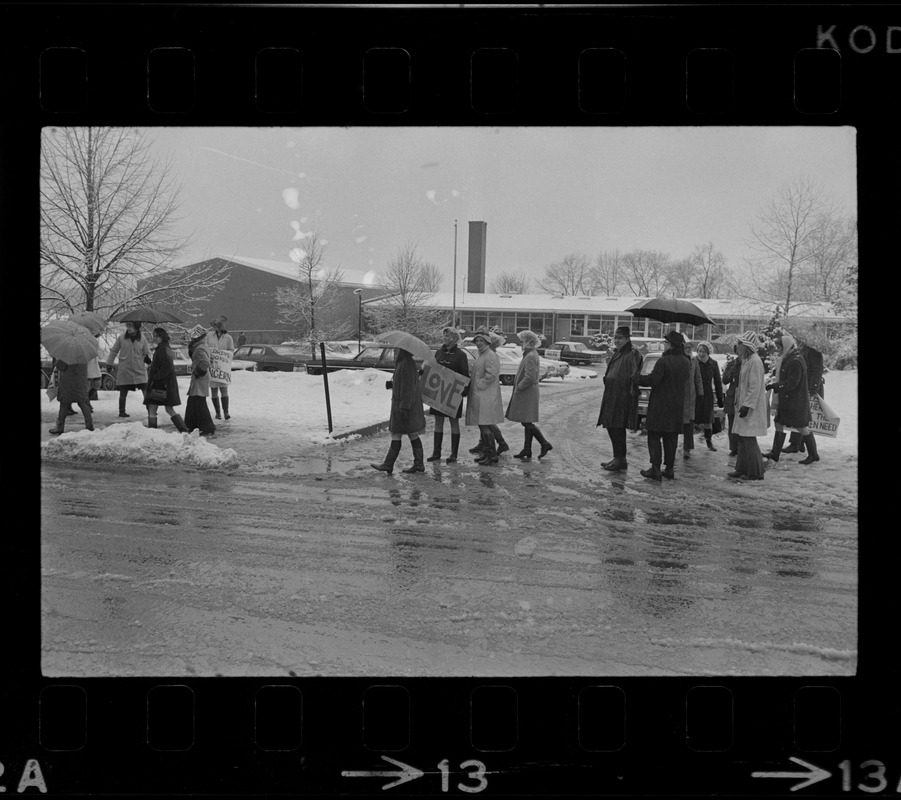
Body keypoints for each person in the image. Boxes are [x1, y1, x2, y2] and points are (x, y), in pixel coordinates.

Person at [633, 330, 689, 480]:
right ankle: (669, 469)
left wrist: (637, 378)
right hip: (676, 406)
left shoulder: (664, 361)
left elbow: (653, 380)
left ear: (670, 344)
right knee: (671, 438)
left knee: (654, 436)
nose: (663, 345)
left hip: (660, 405)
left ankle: (655, 469)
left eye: (665, 342)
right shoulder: (686, 361)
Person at [762, 333, 819, 465]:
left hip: (795, 402)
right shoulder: (789, 358)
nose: (778, 349)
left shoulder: (795, 361)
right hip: (788, 401)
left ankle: (813, 454)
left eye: (779, 346)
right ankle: (775, 453)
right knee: (779, 423)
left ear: (786, 346)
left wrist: (775, 386)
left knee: (802, 427)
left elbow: (792, 383)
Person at [371, 347, 427, 474]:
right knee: (412, 434)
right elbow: (405, 383)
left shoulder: (405, 364)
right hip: (406, 405)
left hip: (404, 406)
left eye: (396, 350)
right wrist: (392, 384)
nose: (394, 353)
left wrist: (404, 408)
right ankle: (418, 464)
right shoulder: (405, 363)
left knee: (398, 433)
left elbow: (407, 388)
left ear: (403, 351)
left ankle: (388, 464)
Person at [596, 326, 642, 471]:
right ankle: (617, 457)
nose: (616, 340)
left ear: (628, 338)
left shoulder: (633, 353)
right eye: (615, 337)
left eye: (620, 337)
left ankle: (621, 459)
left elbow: (634, 375)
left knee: (617, 427)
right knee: (611, 425)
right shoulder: (618, 353)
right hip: (612, 395)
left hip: (622, 397)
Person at [505, 330, 552, 460]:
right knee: (527, 421)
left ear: (528, 342)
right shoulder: (530, 354)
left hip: (527, 392)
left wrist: (519, 387)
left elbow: (530, 377)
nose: (520, 343)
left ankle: (544, 443)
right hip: (528, 392)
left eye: (522, 341)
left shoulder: (530, 355)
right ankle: (527, 449)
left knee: (527, 422)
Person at [728, 331, 769, 480]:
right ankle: (742, 468)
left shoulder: (754, 361)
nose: (737, 347)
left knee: (748, 439)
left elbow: (755, 386)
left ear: (746, 346)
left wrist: (747, 406)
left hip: (750, 407)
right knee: (743, 438)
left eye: (740, 344)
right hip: (744, 405)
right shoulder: (747, 360)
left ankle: (755, 471)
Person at [426, 327, 470, 464]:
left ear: (455, 338)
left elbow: (465, 373)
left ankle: (453, 454)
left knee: (453, 422)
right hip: (439, 392)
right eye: (444, 335)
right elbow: (432, 367)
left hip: (453, 393)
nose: (445, 338)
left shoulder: (461, 355)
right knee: (438, 421)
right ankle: (436, 452)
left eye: (448, 335)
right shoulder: (439, 352)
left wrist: (465, 389)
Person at [465, 331, 506, 465]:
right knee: (483, 424)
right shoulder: (482, 355)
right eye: (476, 341)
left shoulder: (490, 355)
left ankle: (492, 455)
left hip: (486, 396)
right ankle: (489, 453)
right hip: (481, 395)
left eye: (480, 341)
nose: (478, 343)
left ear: (487, 342)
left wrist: (478, 384)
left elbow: (491, 374)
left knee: (484, 424)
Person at [783, 339, 825, 454]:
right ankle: (797, 444)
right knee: (800, 415)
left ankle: (797, 444)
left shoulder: (814, 352)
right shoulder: (804, 350)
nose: (798, 340)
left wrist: (812, 389)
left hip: (809, 388)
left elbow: (817, 371)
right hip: (804, 387)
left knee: (801, 416)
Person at [144, 327, 187, 432]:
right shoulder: (163, 348)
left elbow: (166, 368)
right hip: (165, 384)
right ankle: (183, 429)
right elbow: (159, 365)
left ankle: (152, 431)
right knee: (166, 408)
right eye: (154, 336)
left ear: (162, 337)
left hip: (161, 385)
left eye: (157, 336)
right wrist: (149, 362)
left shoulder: (163, 349)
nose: (155, 338)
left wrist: (155, 377)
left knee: (154, 408)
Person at [106, 321, 151, 418]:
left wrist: (148, 359)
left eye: (131, 326)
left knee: (145, 390)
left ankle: (150, 410)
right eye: (127, 326)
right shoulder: (122, 337)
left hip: (139, 369)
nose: (129, 328)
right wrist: (109, 363)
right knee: (123, 391)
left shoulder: (142, 338)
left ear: (136, 327)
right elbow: (114, 350)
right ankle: (122, 411)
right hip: (125, 369)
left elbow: (147, 352)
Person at [184, 324, 216, 437]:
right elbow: (210, 360)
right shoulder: (203, 346)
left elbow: (206, 362)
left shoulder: (199, 348)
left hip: (200, 377)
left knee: (198, 401)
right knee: (194, 400)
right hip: (201, 377)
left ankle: (206, 426)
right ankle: (192, 424)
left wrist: (197, 372)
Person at [48, 358, 95, 435]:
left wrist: (57, 360)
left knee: (64, 404)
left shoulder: (67, 355)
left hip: (68, 384)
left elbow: (60, 366)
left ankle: (59, 427)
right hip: (80, 383)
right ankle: (89, 425)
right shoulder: (83, 356)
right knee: (83, 403)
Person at [694, 341, 724, 451]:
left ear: (708, 352)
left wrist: (720, 397)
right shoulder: (694, 362)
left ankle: (709, 441)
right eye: (699, 351)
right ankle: (687, 444)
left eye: (704, 352)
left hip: (707, 394)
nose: (701, 354)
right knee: (691, 418)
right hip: (695, 393)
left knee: (707, 419)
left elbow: (717, 381)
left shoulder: (713, 363)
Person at [206, 315, 235, 420]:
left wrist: (224, 355)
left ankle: (226, 411)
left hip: (223, 367)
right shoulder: (209, 336)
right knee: (213, 390)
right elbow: (205, 347)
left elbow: (231, 351)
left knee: (224, 389)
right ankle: (218, 412)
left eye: (217, 326)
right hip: (212, 366)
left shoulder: (228, 338)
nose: (215, 328)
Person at [681, 340, 704, 459]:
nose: (689, 350)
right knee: (678, 422)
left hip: (691, 397)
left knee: (689, 423)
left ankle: (687, 448)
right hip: (680, 396)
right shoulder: (679, 359)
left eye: (690, 348)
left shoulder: (694, 361)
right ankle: (672, 446)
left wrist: (700, 392)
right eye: (686, 348)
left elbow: (698, 377)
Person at [720, 348, 741, 457]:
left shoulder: (748, 363)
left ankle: (741, 447)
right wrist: (731, 371)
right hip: (732, 397)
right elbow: (725, 380)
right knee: (732, 423)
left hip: (742, 396)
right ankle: (733, 448)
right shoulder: (732, 364)